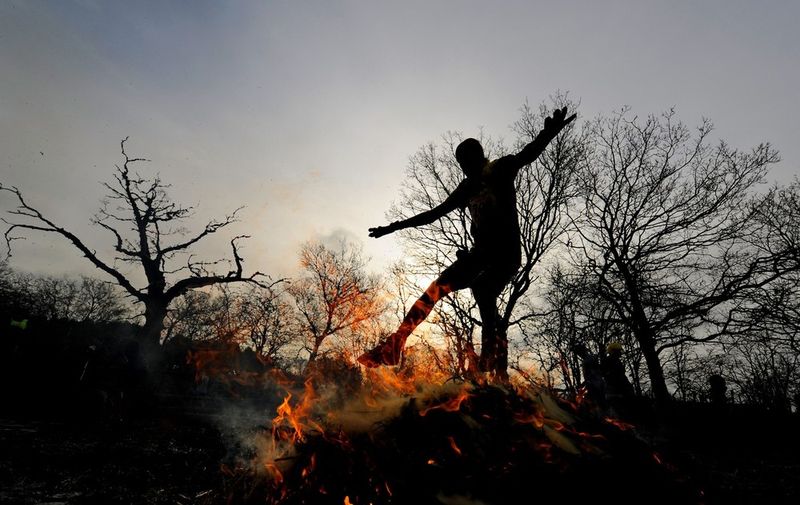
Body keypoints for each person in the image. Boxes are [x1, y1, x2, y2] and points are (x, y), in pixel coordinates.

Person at [357, 106, 576, 379]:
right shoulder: (467, 188)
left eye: (468, 164)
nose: (465, 170)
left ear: (479, 158)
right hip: (480, 254)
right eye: (461, 166)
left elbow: (528, 154)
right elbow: (434, 213)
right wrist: (394, 227)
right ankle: (395, 344)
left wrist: (549, 132)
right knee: (436, 289)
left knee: (484, 290)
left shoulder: (501, 169)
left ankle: (490, 358)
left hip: (506, 254)